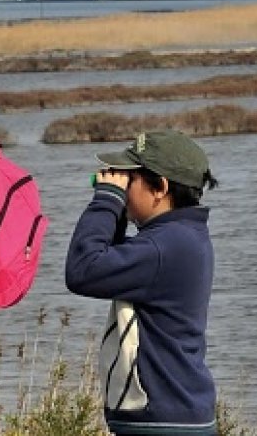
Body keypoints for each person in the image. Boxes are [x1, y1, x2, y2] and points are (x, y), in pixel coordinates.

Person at [64, 130, 220, 436]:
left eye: (129, 179)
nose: (122, 186)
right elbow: (109, 261)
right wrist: (118, 208)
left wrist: (107, 200)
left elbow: (83, 270)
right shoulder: (182, 237)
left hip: (163, 420)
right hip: (177, 414)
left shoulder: (161, 248)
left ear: (159, 187)